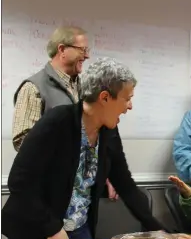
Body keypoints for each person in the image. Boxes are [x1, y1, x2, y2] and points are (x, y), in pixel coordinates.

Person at [2, 57, 191, 239]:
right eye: (126, 98)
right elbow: (20, 183)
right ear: (104, 97)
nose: (130, 106)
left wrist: (161, 232)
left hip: (78, 233)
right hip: (36, 233)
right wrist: (53, 229)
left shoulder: (108, 131)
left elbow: (125, 184)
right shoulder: (57, 122)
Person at [12, 25, 118, 200]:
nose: (87, 55)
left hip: (81, 197)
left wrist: (102, 173)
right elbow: (23, 143)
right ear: (62, 49)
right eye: (82, 50)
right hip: (48, 196)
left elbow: (91, 138)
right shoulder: (34, 88)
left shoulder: (84, 88)